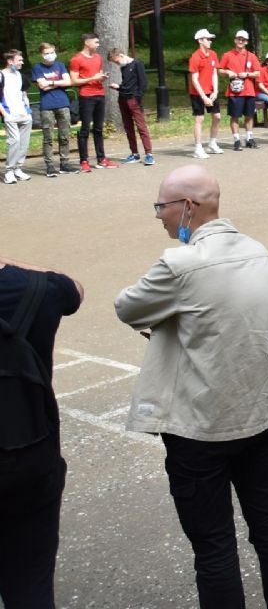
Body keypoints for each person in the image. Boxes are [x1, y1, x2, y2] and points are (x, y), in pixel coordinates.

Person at [114, 165, 268, 605]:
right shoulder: (257, 251)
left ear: (188, 206)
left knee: (214, 545)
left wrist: (170, 321)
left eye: (161, 206)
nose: (158, 215)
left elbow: (127, 306)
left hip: (199, 427)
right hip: (258, 414)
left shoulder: (180, 264)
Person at [0, 256, 82, 608]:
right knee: (31, 589)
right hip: (27, 456)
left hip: (29, 462)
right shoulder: (34, 289)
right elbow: (72, 289)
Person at [31, 42, 78, 177]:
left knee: (64, 136)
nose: (50, 55)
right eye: (47, 53)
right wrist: (59, 83)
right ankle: (50, 166)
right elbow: (42, 86)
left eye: (52, 52)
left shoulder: (60, 65)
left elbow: (68, 82)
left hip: (63, 104)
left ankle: (64, 164)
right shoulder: (37, 67)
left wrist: (51, 82)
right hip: (47, 106)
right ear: (42, 54)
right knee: (48, 138)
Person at [70, 32, 115, 171]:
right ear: (87, 43)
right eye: (96, 42)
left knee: (98, 128)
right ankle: (84, 160)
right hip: (86, 96)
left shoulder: (98, 57)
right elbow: (74, 81)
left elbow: (97, 75)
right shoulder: (76, 59)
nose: (98, 45)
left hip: (100, 94)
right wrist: (91, 78)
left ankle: (101, 159)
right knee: (85, 129)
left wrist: (102, 77)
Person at [109, 46, 155, 164]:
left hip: (133, 99)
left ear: (121, 55)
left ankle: (149, 154)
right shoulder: (123, 67)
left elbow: (143, 84)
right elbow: (126, 84)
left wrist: (136, 97)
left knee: (141, 126)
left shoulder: (137, 64)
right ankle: (134, 153)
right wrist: (119, 88)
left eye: (116, 61)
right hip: (123, 99)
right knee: (128, 127)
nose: (117, 64)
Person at [218, 31, 259, 152]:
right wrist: (228, 72)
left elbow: (258, 72)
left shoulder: (251, 56)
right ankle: (236, 140)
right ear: (235, 40)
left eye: (243, 39)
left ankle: (249, 138)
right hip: (235, 91)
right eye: (239, 39)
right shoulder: (227, 55)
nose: (241, 41)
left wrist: (247, 74)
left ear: (246, 42)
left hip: (249, 90)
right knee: (235, 116)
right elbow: (219, 70)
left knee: (249, 115)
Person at [187, 28, 224, 159]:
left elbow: (214, 73)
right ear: (200, 41)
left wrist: (215, 90)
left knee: (217, 117)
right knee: (200, 119)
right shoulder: (195, 57)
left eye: (210, 39)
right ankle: (198, 148)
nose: (210, 41)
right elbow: (194, 79)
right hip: (197, 93)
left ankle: (212, 143)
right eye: (207, 39)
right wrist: (203, 97)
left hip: (211, 91)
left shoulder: (213, 54)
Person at [2, 49, 32, 183]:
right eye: (19, 60)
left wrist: (28, 110)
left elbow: (23, 93)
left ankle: (18, 169)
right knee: (14, 142)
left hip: (24, 115)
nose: (22, 62)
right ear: (10, 61)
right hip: (10, 115)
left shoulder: (20, 75)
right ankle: (9, 171)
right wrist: (5, 115)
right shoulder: (1, 75)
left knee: (24, 144)